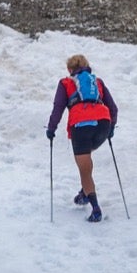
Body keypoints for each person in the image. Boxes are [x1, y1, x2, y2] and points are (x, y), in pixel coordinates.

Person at [45, 54, 118, 222]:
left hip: (81, 125)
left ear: (70, 70)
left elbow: (58, 108)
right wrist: (111, 127)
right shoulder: (97, 82)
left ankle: (95, 208)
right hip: (103, 123)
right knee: (87, 159)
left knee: (84, 167)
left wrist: (51, 128)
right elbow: (113, 107)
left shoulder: (66, 83)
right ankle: (84, 193)